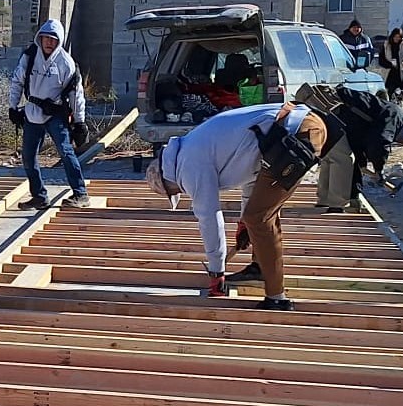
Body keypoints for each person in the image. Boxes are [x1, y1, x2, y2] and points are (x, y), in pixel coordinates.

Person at [142, 100, 338, 311]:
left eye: (174, 192)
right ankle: (260, 268)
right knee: (257, 215)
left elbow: (210, 218)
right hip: (297, 128)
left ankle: (277, 299)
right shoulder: (192, 147)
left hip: (297, 133)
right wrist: (244, 222)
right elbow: (253, 175)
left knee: (259, 218)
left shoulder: (187, 166)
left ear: (168, 181)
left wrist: (217, 271)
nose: (180, 192)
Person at [7, 19, 90, 211]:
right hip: (32, 113)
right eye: (46, 38)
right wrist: (13, 107)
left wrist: (80, 122)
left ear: (59, 41)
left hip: (55, 114)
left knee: (66, 153)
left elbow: (76, 94)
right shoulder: (29, 56)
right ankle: (39, 197)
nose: (49, 42)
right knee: (28, 156)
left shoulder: (66, 63)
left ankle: (81, 194)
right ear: (40, 38)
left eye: (53, 39)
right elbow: (17, 82)